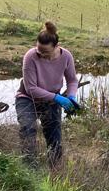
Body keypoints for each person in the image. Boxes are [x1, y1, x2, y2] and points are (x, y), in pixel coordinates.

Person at [16, 21, 78, 168]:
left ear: (56, 46)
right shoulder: (30, 56)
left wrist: (71, 96)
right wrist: (57, 97)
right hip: (27, 98)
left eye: (45, 51)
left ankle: (55, 169)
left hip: (50, 101)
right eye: (39, 50)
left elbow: (72, 80)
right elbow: (31, 88)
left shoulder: (66, 56)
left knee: (54, 137)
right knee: (27, 129)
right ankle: (29, 169)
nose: (41, 54)